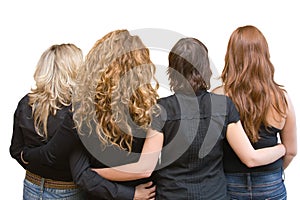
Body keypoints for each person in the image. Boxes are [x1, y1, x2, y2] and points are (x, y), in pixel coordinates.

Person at [92, 37, 286, 199]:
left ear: (173, 71)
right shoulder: (223, 106)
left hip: (172, 195)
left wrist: (97, 174)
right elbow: (250, 157)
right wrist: (281, 148)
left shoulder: (162, 109)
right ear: (206, 69)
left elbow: (144, 168)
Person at [21, 29, 158, 200]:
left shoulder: (84, 110)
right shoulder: (154, 111)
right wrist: (132, 193)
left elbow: (82, 174)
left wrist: (25, 155)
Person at [212, 25, 297, 199]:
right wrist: (271, 172)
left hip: (230, 183)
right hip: (271, 183)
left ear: (231, 56)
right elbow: (290, 151)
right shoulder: (282, 98)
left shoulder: (218, 96)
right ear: (264, 54)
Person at [9, 43, 87, 199]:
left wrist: (31, 160)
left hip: (31, 185)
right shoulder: (79, 110)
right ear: (75, 70)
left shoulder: (26, 103)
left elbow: (15, 151)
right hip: (68, 190)